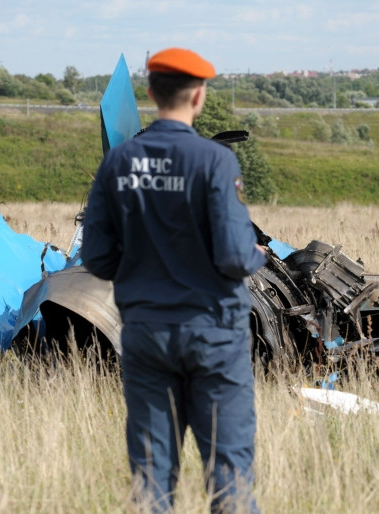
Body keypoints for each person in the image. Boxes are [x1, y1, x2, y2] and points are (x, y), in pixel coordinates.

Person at [81, 47, 266, 513]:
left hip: (146, 335)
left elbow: (96, 258)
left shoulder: (117, 163)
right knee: (229, 473)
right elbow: (234, 255)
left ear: (150, 92)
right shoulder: (215, 161)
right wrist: (256, 254)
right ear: (199, 95)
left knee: (151, 477)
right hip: (214, 335)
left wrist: (141, 268)